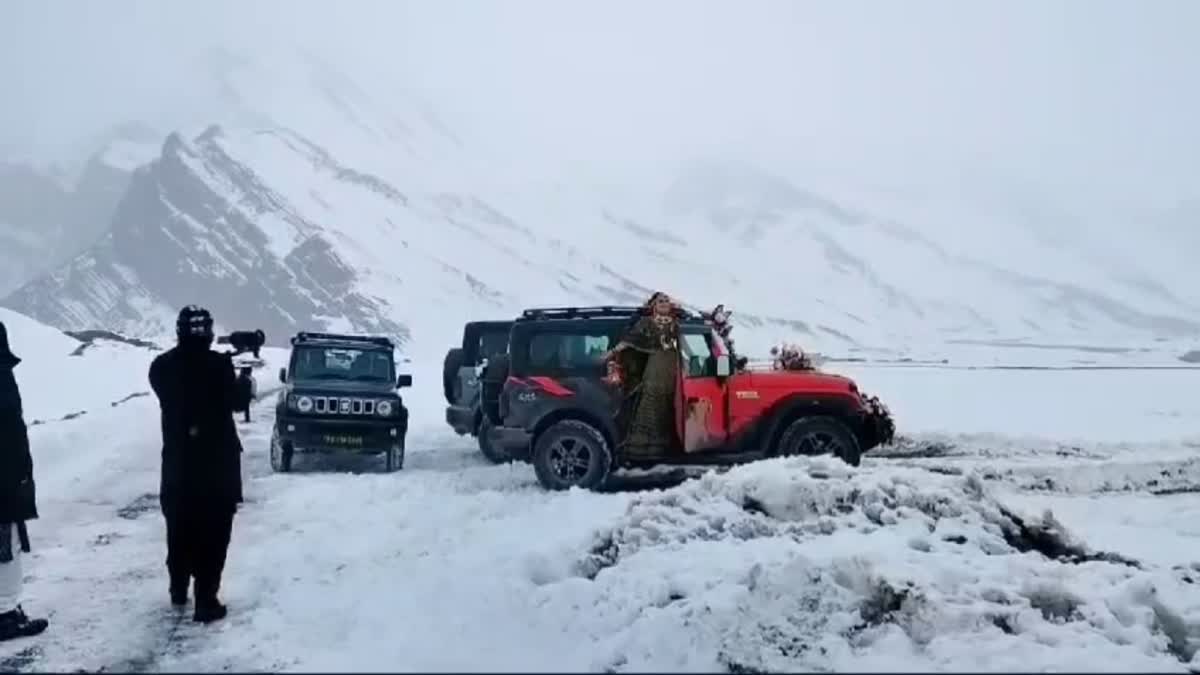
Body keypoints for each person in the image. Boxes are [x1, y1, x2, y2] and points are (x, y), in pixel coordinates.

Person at [149, 306, 244, 623]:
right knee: (214, 533)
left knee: (179, 528)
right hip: (217, 466)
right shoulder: (219, 366)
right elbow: (235, 402)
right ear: (209, 332)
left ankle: (178, 588)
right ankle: (206, 599)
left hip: (178, 465)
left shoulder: (160, 367)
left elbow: (174, 397)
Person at [0, 321, 49, 642]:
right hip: (3, 479)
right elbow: (9, 430)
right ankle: (5, 615)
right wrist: (19, 475)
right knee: (6, 547)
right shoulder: (1, 379)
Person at [606, 291, 683, 459]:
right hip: (655, 367)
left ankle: (666, 448)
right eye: (660, 301)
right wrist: (612, 352)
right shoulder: (646, 322)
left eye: (666, 301)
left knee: (669, 406)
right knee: (651, 405)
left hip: (672, 367)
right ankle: (643, 452)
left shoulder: (676, 323)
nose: (664, 303)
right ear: (653, 305)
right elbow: (630, 340)